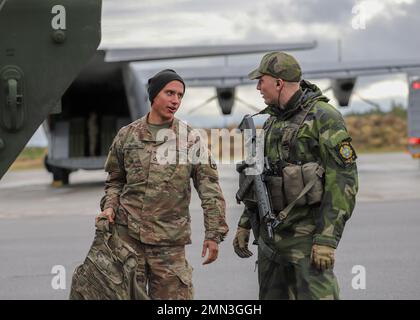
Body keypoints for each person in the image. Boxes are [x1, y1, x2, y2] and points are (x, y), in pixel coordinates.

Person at [233, 52, 358, 300]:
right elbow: (260, 180)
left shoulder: (324, 117)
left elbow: (343, 182)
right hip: (271, 240)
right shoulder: (271, 122)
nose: (258, 87)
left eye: (262, 80)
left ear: (279, 83)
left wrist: (326, 239)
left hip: (308, 242)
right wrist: (246, 223)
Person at [97, 69, 228, 300]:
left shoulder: (190, 139)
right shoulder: (127, 136)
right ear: (154, 95)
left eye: (180, 95)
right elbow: (115, 181)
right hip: (128, 240)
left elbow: (210, 188)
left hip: (169, 244)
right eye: (170, 93)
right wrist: (109, 207)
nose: (175, 100)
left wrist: (214, 234)